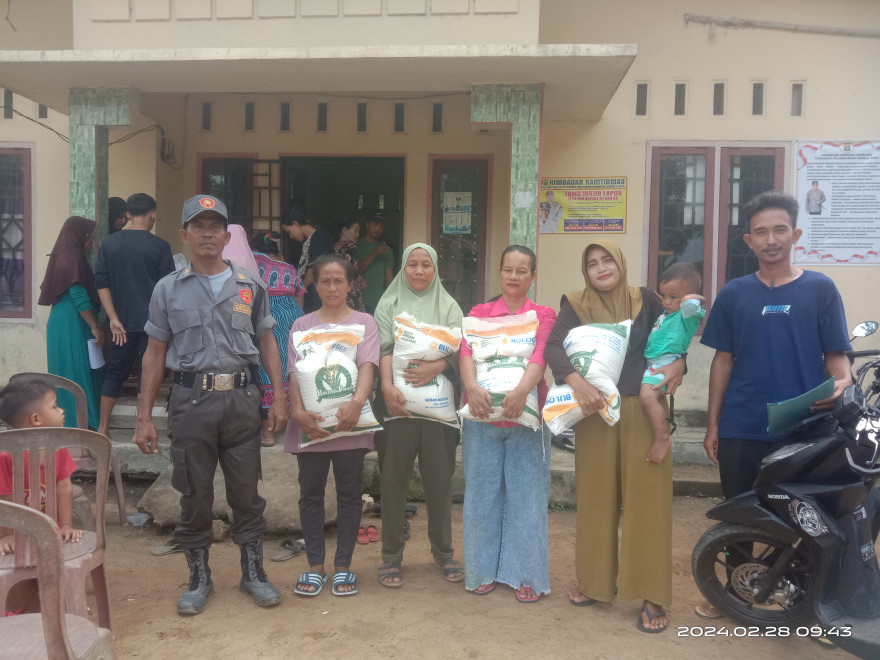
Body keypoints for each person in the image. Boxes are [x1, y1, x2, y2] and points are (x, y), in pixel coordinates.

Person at [697, 190, 851, 618]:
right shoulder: (734, 293)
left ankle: (809, 598)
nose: (771, 240)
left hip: (808, 425)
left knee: (808, 516)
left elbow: (836, 354)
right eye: (761, 232)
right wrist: (713, 425)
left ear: (795, 234)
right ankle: (734, 591)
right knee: (741, 512)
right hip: (743, 423)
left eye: (780, 230)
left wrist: (843, 381)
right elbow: (722, 360)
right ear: (748, 240)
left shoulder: (820, 288)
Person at [133, 194, 289, 616]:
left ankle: (253, 572)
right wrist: (144, 415)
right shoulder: (168, 289)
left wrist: (278, 396)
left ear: (226, 236)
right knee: (194, 494)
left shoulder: (250, 285)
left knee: (246, 493)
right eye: (198, 226)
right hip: (191, 402)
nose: (207, 233)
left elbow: (267, 342)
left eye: (215, 226)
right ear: (184, 235)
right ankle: (199, 577)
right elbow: (154, 353)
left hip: (241, 401)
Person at [544, 239, 686, 633]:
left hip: (643, 411)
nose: (601, 268)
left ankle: (651, 593)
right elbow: (553, 349)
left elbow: (675, 332)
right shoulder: (576, 304)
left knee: (648, 502)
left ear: (620, 263)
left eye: (607, 260)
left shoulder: (647, 299)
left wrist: (681, 362)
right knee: (596, 499)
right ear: (585, 271)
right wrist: (579, 384)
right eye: (592, 263)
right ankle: (595, 582)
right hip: (596, 413)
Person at [459, 245, 557, 603]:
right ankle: (480, 570)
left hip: (527, 420)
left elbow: (540, 355)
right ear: (499, 273)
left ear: (533, 276)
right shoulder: (479, 314)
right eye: (508, 270)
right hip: (482, 417)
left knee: (527, 499)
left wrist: (521, 392)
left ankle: (527, 575)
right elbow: (466, 353)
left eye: (522, 270)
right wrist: (472, 389)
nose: (514, 276)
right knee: (481, 497)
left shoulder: (543, 315)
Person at [284, 255, 378, 597]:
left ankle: (343, 566)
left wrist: (356, 403)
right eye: (325, 281)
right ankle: (315, 566)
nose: (332, 287)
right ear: (316, 285)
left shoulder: (364, 323)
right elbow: (294, 372)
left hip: (350, 424)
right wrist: (297, 411)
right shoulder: (301, 325)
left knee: (349, 495)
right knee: (310, 494)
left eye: (339, 281)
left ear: (350, 285)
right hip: (311, 426)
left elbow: (367, 366)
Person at [374, 244, 464, 588]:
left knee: (439, 483)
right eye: (412, 264)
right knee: (393, 482)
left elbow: (461, 351)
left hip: (439, 411)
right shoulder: (389, 304)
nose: (419, 271)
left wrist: (435, 367)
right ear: (403, 267)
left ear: (435, 269)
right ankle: (391, 556)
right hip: (397, 408)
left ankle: (443, 552)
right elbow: (384, 349)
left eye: (426, 264)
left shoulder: (449, 306)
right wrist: (387, 388)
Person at [0, 374, 83, 615]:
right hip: (13, 532)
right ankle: (15, 613)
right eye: (55, 406)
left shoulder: (57, 448)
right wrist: (6, 536)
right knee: (18, 576)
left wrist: (66, 525)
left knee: (48, 577)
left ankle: (48, 611)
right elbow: (4, 499)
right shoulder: (5, 456)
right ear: (36, 419)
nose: (62, 410)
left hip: (47, 530)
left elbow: (63, 486)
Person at [95, 193, 174, 438]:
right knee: (146, 373)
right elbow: (168, 288)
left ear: (128, 215)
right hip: (153, 324)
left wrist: (113, 318)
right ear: (153, 215)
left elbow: (101, 283)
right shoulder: (160, 246)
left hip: (121, 323)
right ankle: (142, 424)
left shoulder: (109, 243)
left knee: (114, 372)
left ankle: (102, 428)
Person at [38, 216, 104, 430]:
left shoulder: (62, 255)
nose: (91, 241)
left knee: (66, 373)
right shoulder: (74, 257)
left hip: (61, 320)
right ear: (81, 235)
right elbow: (78, 296)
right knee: (78, 373)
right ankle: (83, 423)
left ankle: (68, 421)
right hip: (73, 322)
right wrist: (94, 326)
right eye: (90, 236)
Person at [640, 262, 706, 464]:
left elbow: (692, 304)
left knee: (647, 396)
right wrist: (672, 297)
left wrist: (694, 298)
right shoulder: (668, 313)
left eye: (673, 297)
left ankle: (662, 438)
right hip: (653, 362)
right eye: (663, 295)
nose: (666, 302)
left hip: (666, 362)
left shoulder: (687, 315)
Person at [250, 230, 305, 447]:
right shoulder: (289, 268)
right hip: (289, 319)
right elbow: (300, 300)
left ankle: (267, 433)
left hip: (262, 318)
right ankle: (288, 425)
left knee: (265, 370)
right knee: (288, 368)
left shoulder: (248, 264)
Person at [281, 208, 334, 314]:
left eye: (289, 232)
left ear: (295, 224)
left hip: (319, 296)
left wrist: (301, 289)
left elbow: (315, 268)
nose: (290, 236)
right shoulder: (311, 239)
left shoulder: (319, 237)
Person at [357, 214, 394, 314]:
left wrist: (390, 301)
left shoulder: (387, 250)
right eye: (375, 224)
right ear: (367, 225)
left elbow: (389, 279)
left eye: (381, 226)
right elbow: (356, 270)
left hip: (379, 302)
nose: (378, 229)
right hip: (358, 301)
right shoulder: (356, 245)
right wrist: (374, 253)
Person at [332, 218, 367, 312]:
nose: (357, 235)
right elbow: (351, 271)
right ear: (344, 230)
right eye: (355, 231)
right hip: (350, 292)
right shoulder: (352, 247)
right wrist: (360, 281)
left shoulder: (334, 246)